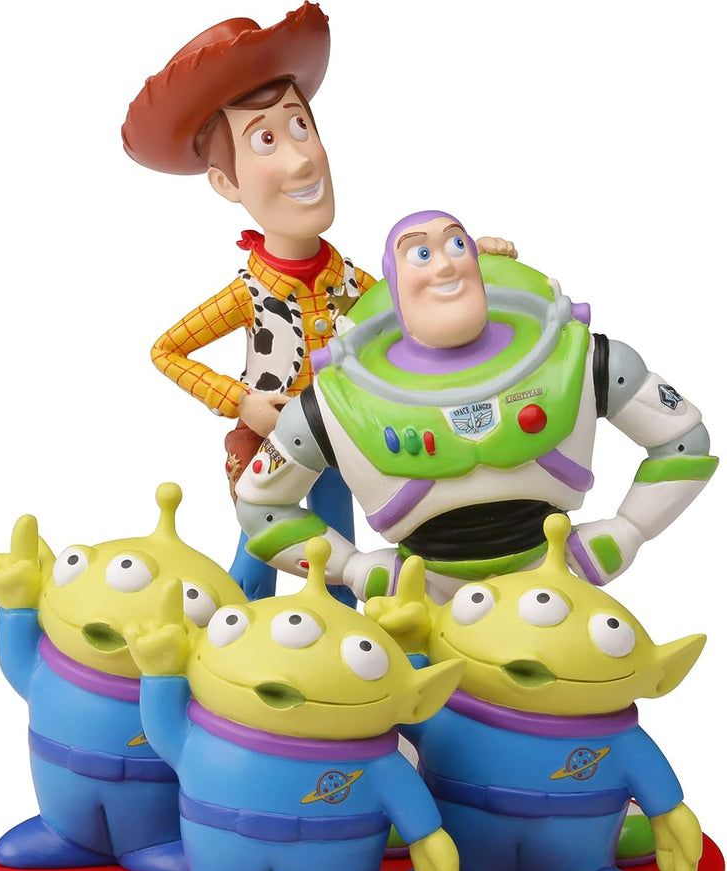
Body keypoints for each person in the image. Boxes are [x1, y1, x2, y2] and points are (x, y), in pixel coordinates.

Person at [123, 7, 515, 602]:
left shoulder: (350, 281)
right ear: (227, 183)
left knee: (338, 556)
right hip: (269, 443)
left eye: (300, 127)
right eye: (266, 140)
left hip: (335, 436)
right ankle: (238, 634)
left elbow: (404, 307)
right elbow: (166, 351)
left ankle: (342, 640)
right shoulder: (248, 293)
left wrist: (467, 263)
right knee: (257, 553)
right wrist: (241, 401)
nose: (302, 159)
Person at [235, 209, 717, 600]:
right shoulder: (334, 402)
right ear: (396, 282)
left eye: (456, 246)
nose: (445, 266)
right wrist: (351, 567)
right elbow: (262, 507)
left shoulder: (580, 358)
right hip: (424, 595)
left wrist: (630, 529)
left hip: (550, 578)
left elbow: (683, 442)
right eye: (421, 254)